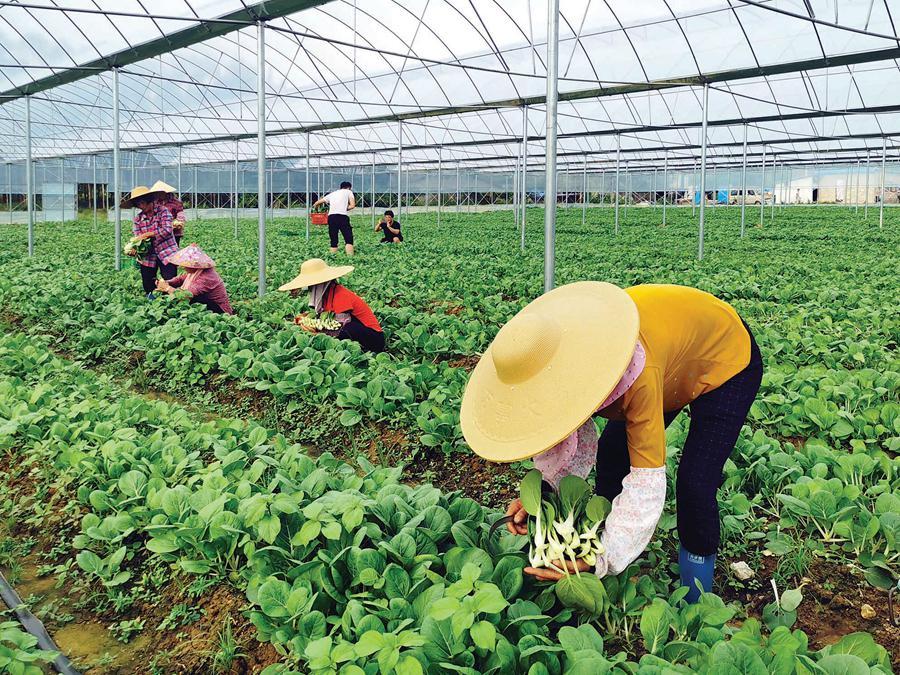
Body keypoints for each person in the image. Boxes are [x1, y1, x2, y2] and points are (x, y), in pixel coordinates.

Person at [460, 283, 763, 603]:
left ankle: (696, 602)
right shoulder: (561, 356)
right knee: (613, 453)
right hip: (674, 355)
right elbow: (565, 437)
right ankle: (599, 536)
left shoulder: (636, 375)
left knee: (695, 483)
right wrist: (544, 495)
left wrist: (601, 560)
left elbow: (647, 481)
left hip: (726, 355)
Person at [278, 258, 385, 353]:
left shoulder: (340, 295)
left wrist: (316, 330)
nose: (310, 289)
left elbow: (338, 326)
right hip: (354, 332)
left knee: (348, 329)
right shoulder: (326, 296)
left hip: (373, 338)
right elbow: (326, 319)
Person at [123, 185, 180, 297]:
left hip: (167, 251)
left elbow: (167, 230)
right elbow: (138, 238)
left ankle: (172, 302)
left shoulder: (163, 212)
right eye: (138, 204)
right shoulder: (138, 219)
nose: (141, 207)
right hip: (148, 255)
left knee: (170, 280)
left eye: (142, 203)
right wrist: (135, 249)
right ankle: (152, 303)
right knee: (148, 283)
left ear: (149, 200)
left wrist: (150, 234)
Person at [155, 244, 233, 314]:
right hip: (207, 304)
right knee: (174, 292)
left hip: (219, 309)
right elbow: (181, 279)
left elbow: (185, 295)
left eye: (186, 264)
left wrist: (167, 288)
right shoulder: (196, 271)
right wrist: (167, 282)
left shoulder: (206, 277)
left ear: (194, 265)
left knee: (191, 296)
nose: (183, 266)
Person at [313, 181, 356, 256]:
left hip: (332, 217)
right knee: (348, 238)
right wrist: (344, 208)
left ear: (340, 187)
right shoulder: (348, 192)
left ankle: (333, 257)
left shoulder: (333, 193)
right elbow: (352, 205)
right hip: (342, 216)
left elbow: (316, 203)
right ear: (349, 187)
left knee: (333, 238)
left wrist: (317, 211)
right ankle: (350, 257)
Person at [150, 180, 186, 245]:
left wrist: (178, 222)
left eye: (159, 192)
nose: (158, 194)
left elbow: (180, 215)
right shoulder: (155, 203)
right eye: (157, 192)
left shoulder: (176, 203)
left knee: (174, 251)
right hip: (160, 232)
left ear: (165, 192)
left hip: (174, 232)